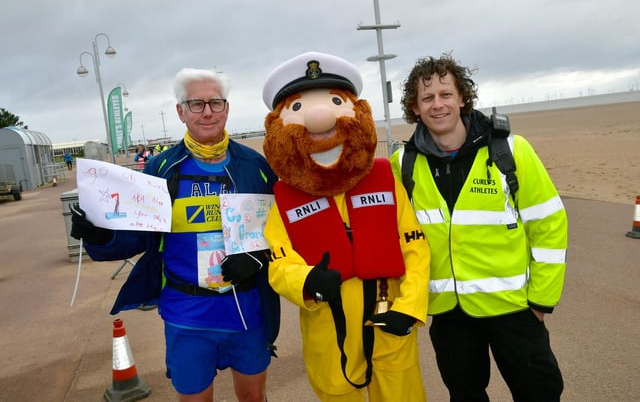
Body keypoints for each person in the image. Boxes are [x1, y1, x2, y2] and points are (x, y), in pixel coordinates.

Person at [70, 68, 280, 402]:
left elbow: (277, 232)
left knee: (254, 397)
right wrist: (97, 233)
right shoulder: (162, 168)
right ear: (180, 112)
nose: (207, 111)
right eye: (195, 104)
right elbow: (138, 237)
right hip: (187, 313)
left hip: (246, 308)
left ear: (227, 108)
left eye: (215, 102)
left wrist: (258, 257)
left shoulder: (255, 165)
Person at [389, 53, 568, 402]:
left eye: (445, 94)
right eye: (427, 98)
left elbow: (549, 224)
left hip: (513, 307)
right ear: (415, 107)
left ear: (463, 98)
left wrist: (542, 301)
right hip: (448, 312)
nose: (437, 104)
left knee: (540, 393)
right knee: (465, 394)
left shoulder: (511, 150)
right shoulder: (403, 163)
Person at [262, 51, 431, 401]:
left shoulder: (385, 179)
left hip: (391, 315)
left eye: (336, 101)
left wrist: (410, 306)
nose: (321, 116)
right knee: (337, 392)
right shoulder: (285, 199)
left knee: (403, 394)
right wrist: (306, 280)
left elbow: (414, 244)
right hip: (330, 323)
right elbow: (279, 262)